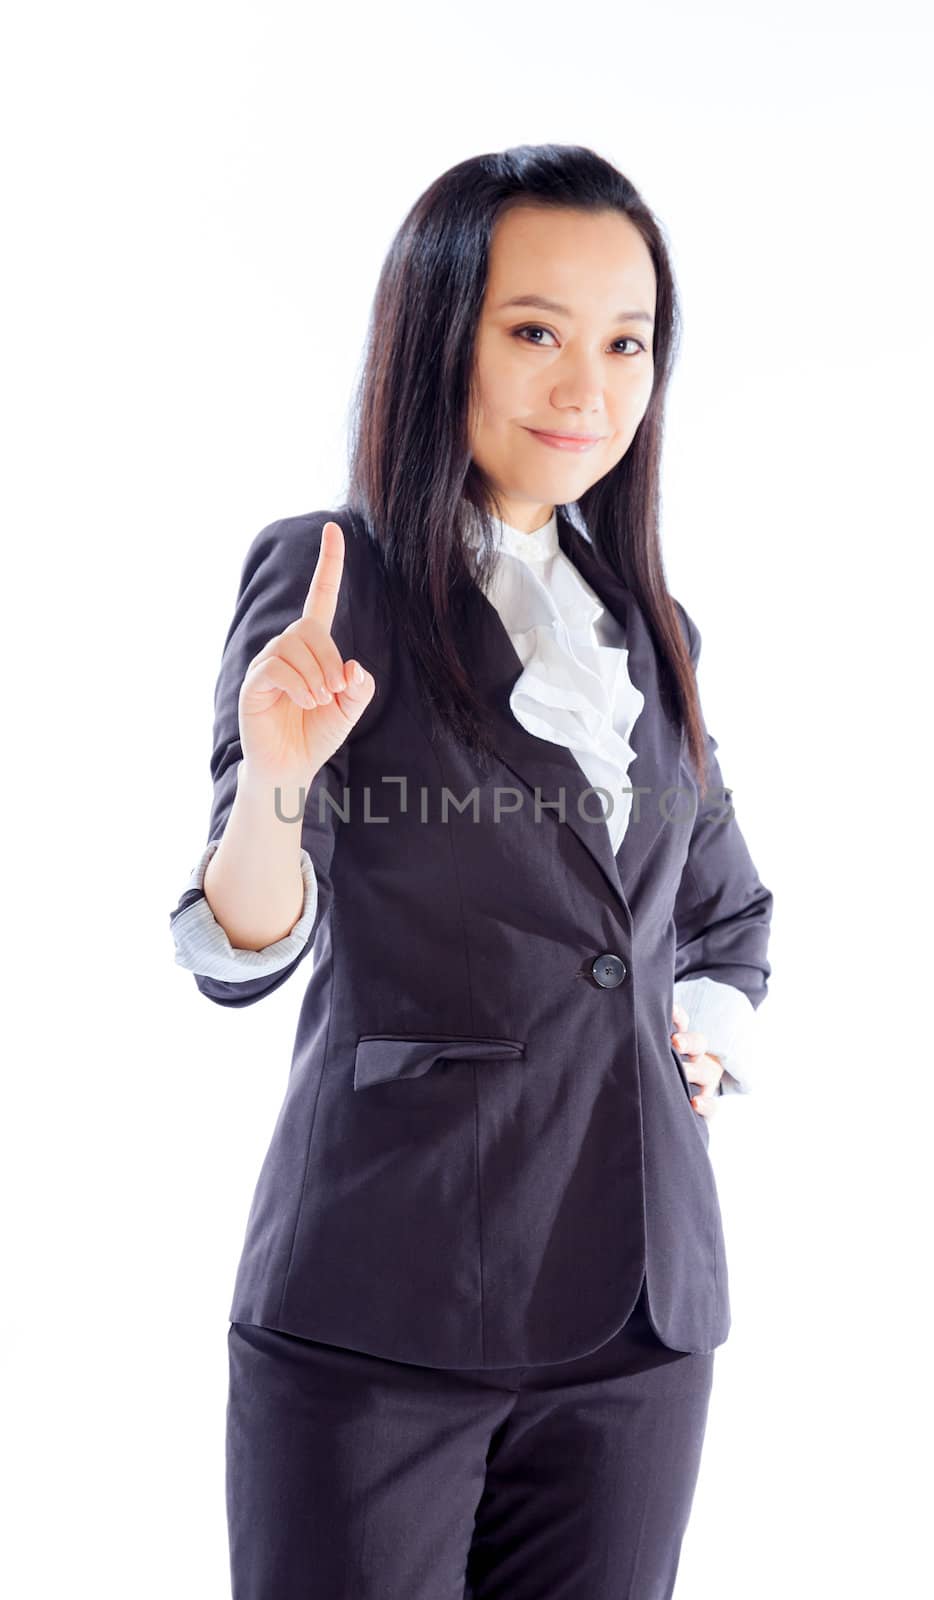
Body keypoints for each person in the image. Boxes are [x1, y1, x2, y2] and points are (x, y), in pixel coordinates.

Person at [169, 143, 773, 1600]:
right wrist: (277, 785)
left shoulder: (652, 625)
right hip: (391, 1297)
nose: (588, 387)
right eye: (535, 332)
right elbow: (233, 950)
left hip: (640, 1312)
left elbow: (725, 916)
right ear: (441, 336)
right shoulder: (337, 573)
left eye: (626, 342)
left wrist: (693, 1039)